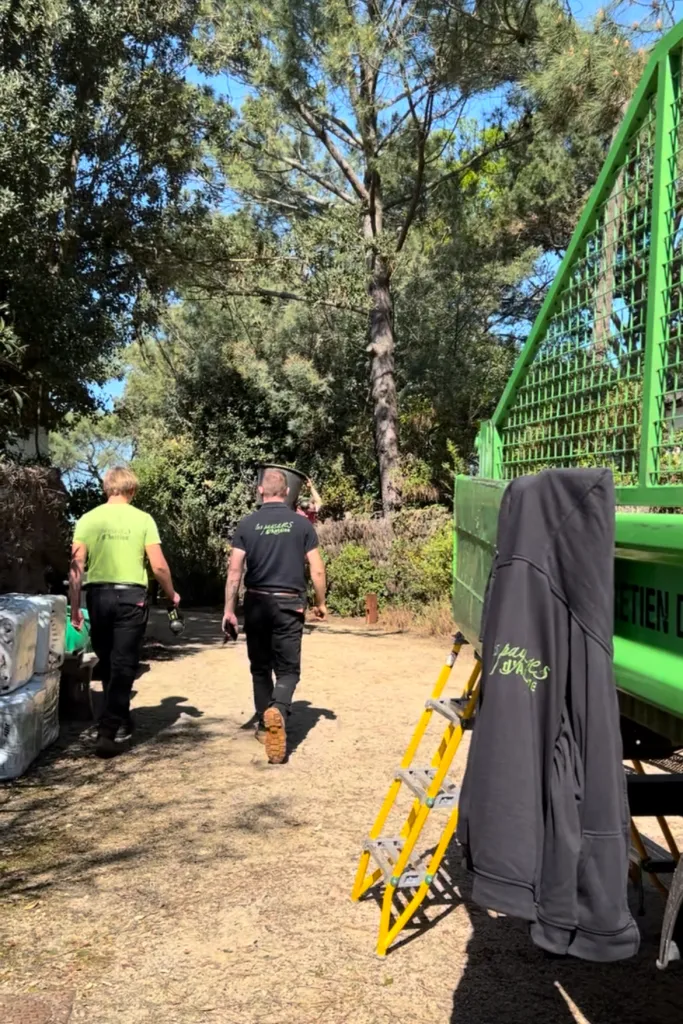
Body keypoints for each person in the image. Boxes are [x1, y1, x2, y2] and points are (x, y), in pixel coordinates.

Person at [69, 466, 180, 758]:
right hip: (132, 597)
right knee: (124, 663)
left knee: (109, 661)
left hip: (98, 596)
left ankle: (119, 717)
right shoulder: (143, 519)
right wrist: (171, 594)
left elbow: (76, 565)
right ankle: (108, 730)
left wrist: (75, 607)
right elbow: (158, 566)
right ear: (132, 490)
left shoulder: (88, 519)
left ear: (107, 489)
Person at [223, 468, 327, 764]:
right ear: (287, 492)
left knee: (259, 668)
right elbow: (317, 570)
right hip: (289, 604)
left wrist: (229, 610)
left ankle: (263, 723)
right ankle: (279, 710)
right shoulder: (301, 524)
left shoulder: (246, 524)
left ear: (260, 490)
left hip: (256, 603)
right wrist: (321, 602)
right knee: (288, 670)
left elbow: (234, 572)